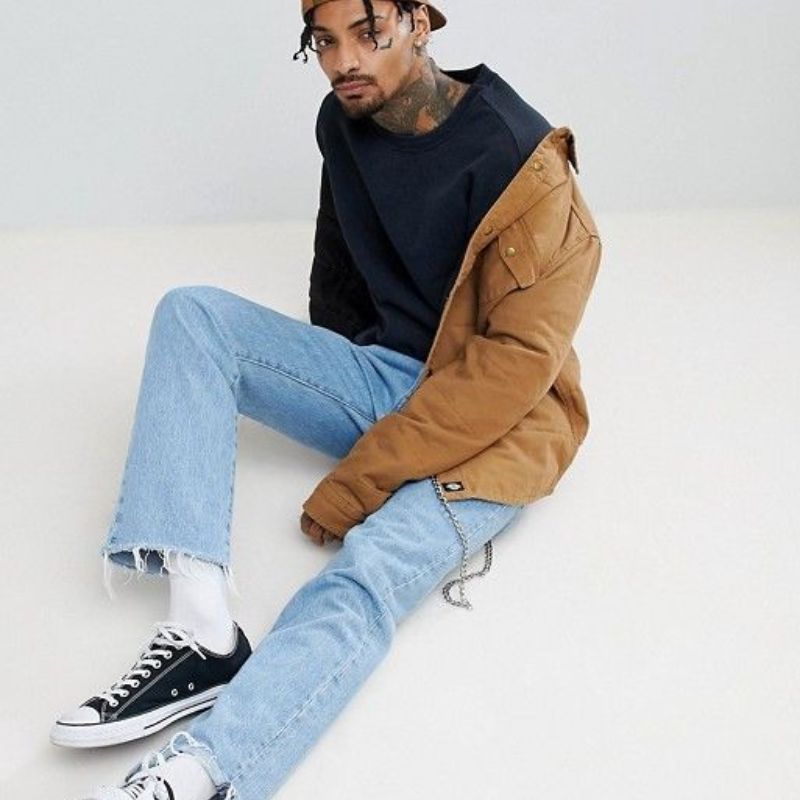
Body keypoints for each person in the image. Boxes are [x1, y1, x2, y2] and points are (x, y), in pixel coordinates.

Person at [53, 1, 602, 798]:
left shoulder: (526, 163)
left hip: (504, 428)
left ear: (419, 23)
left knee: (366, 573)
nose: (345, 62)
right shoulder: (344, 120)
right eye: (325, 41)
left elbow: (515, 367)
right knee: (194, 316)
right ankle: (203, 630)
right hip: (390, 379)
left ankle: (205, 770)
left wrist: (364, 476)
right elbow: (339, 261)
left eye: (368, 34)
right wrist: (331, 371)